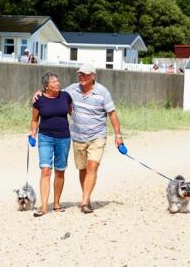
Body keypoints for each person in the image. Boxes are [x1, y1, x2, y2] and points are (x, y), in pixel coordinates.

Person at [33, 63, 124, 214]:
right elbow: (54, 93)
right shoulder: (71, 90)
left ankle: (84, 202)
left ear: (93, 76)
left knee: (92, 166)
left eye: (85, 74)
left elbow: (112, 114)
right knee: (82, 169)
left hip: (97, 135)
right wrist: (39, 92)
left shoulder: (103, 92)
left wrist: (118, 135)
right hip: (77, 137)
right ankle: (85, 197)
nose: (81, 77)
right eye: (80, 74)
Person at [29, 72, 72, 217]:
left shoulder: (65, 96)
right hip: (45, 137)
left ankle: (57, 203)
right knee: (45, 170)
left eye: (58, 80)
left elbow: (74, 113)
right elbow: (35, 119)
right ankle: (44, 206)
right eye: (54, 81)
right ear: (47, 86)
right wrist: (33, 132)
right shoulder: (39, 99)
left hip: (63, 138)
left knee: (60, 171)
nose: (58, 83)